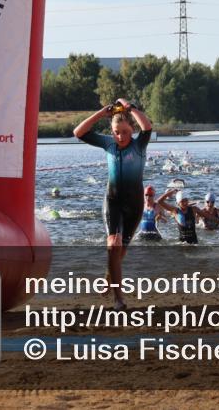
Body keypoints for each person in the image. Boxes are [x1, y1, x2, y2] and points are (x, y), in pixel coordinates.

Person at [74, 98, 153, 310]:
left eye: (125, 132)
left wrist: (131, 108)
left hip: (134, 205)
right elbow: (78, 132)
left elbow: (147, 127)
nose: (120, 137)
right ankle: (119, 298)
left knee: (120, 252)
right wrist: (102, 113)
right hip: (113, 201)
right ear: (111, 132)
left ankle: (109, 277)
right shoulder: (108, 144)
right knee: (113, 244)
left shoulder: (139, 145)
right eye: (116, 132)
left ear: (132, 130)